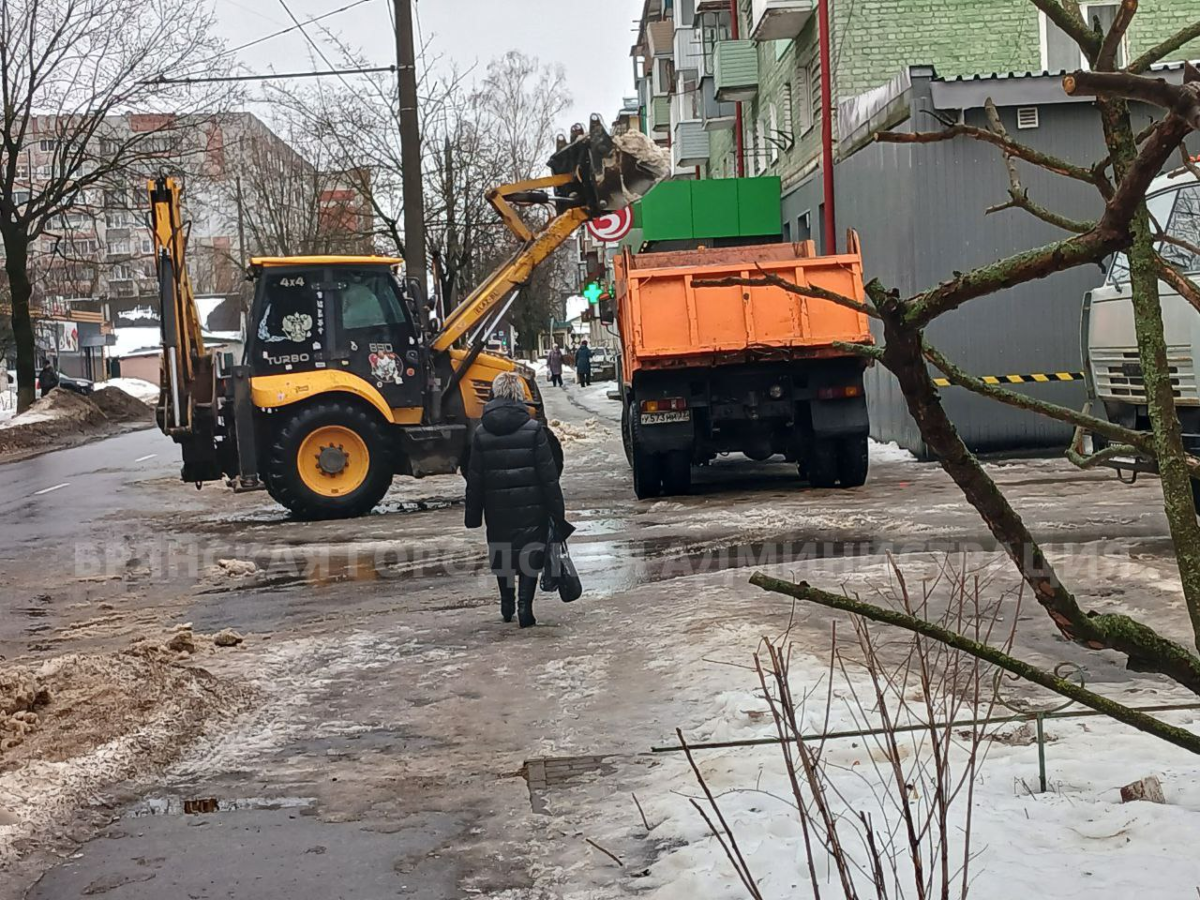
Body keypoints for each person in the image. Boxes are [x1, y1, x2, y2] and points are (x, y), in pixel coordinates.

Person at [465, 371, 567, 628]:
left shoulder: (481, 433)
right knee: (530, 554)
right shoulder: (534, 431)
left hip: (496, 509)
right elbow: (549, 477)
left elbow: (474, 479)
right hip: (532, 507)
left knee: (503, 553)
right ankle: (525, 608)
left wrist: (473, 516)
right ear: (520, 396)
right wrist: (558, 512)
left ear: (495, 394)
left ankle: (506, 604)